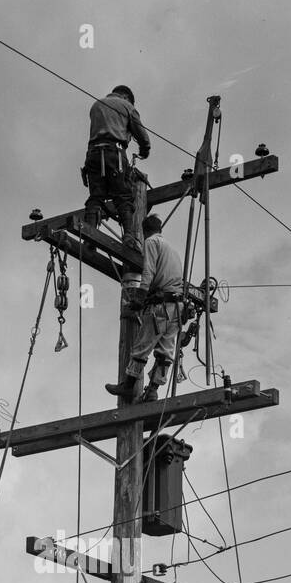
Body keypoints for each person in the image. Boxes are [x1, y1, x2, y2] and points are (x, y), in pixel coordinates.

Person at [105, 214, 184, 402]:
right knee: (165, 351)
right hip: (178, 306)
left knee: (142, 346)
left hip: (161, 306)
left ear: (145, 230)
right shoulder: (172, 249)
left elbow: (148, 271)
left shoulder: (151, 242)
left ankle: (129, 386)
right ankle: (153, 391)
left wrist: (140, 297)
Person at [82, 85, 151, 248]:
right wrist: (145, 149)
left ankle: (90, 235)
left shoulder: (96, 105)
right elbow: (140, 133)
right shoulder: (127, 106)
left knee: (96, 196)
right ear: (127, 97)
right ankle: (129, 237)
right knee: (123, 195)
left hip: (93, 155)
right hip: (115, 154)